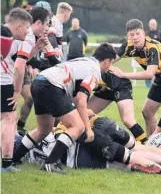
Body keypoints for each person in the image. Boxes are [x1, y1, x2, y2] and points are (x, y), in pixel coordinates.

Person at [13, 43, 116, 173]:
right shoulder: (95, 71)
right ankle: (50, 163)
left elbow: (73, 97)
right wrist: (88, 129)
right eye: (111, 63)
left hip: (39, 81)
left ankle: (14, 158)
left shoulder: (83, 61)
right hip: (51, 85)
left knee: (44, 129)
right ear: (107, 61)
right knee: (78, 127)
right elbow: (81, 99)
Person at [15, 110, 161, 175]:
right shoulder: (40, 132)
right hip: (99, 122)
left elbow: (64, 134)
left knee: (128, 161)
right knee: (136, 149)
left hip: (81, 149)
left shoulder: (25, 143)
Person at [111, 19, 161, 154]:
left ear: (144, 33)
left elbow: (149, 74)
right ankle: (153, 147)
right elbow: (110, 59)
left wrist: (123, 75)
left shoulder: (152, 47)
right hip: (160, 75)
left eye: (137, 33)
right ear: (128, 36)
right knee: (147, 111)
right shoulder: (128, 46)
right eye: (131, 34)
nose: (134, 37)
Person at [1, 8, 33, 173]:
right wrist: (17, 91)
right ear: (19, 26)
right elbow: (20, 66)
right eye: (27, 27)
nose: (28, 31)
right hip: (4, 84)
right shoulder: (21, 42)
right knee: (9, 120)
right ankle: (6, 165)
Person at [16, 6, 53, 135]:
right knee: (7, 111)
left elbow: (24, 59)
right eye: (47, 24)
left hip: (19, 70)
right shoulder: (28, 35)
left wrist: (37, 48)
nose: (48, 28)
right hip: (11, 72)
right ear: (38, 23)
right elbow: (19, 62)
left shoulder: (33, 36)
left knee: (30, 99)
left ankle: (19, 127)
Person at [87, 71, 147, 143]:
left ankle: (144, 146)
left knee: (128, 120)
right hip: (105, 89)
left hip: (120, 85)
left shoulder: (79, 72)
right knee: (81, 115)